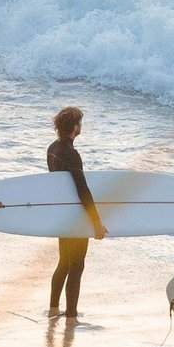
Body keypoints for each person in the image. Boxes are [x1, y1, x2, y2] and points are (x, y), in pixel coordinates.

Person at [45, 104, 106, 322]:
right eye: (80, 123)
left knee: (64, 262)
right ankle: (71, 316)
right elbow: (82, 190)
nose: (81, 127)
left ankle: (53, 308)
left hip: (62, 214)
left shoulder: (52, 148)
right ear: (75, 127)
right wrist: (96, 223)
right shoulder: (71, 154)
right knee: (77, 266)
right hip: (75, 217)